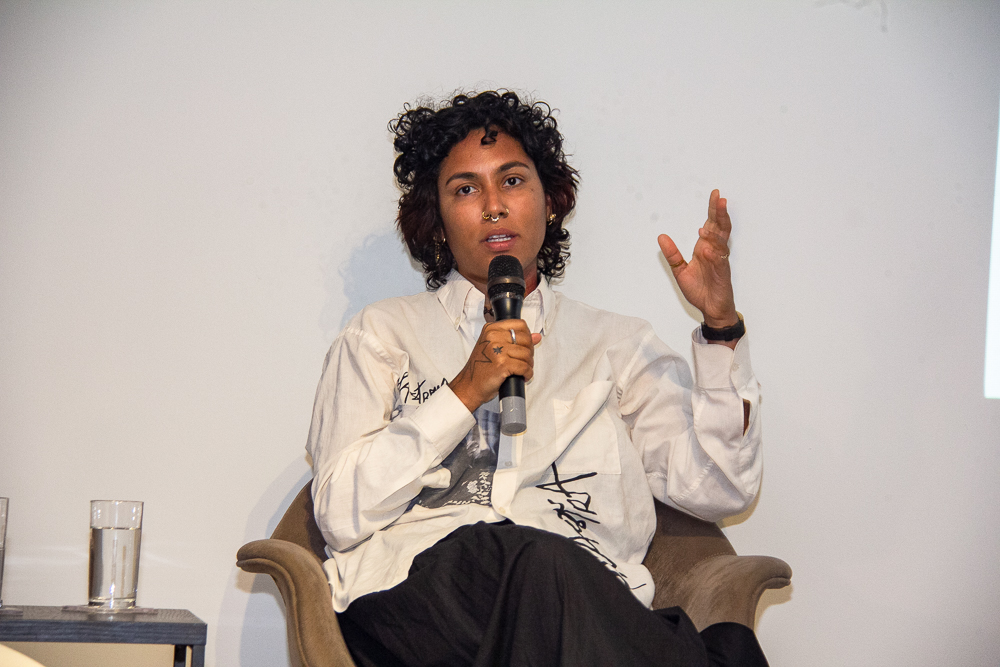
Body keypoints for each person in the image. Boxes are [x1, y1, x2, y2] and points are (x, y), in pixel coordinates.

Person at [306, 90, 767, 667]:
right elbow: (339, 514)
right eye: (465, 189)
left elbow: (719, 489)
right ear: (438, 221)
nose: (493, 206)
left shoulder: (618, 345)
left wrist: (721, 329)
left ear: (550, 202)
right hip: (418, 599)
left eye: (513, 181)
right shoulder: (382, 335)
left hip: (581, 609)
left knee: (716, 642)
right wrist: (463, 392)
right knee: (543, 565)